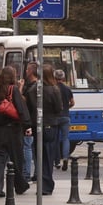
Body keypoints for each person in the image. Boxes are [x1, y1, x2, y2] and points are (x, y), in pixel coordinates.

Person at [0, 66, 31, 197]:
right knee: (17, 158)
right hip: (13, 130)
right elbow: (21, 109)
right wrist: (27, 126)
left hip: (0, 131)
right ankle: (19, 185)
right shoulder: (14, 90)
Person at [27, 64, 62, 195]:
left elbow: (30, 106)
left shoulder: (33, 89)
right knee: (49, 155)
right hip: (51, 124)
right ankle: (47, 184)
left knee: (39, 156)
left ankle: (42, 183)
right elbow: (59, 108)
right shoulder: (54, 89)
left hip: (38, 124)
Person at [54, 69, 74, 171]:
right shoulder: (67, 89)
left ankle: (57, 161)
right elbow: (72, 102)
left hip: (55, 116)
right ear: (63, 78)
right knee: (66, 138)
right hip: (66, 116)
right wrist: (67, 107)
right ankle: (66, 158)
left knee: (56, 139)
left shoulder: (53, 88)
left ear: (55, 78)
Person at [22, 61, 39, 181]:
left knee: (28, 147)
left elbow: (29, 107)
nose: (26, 72)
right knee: (35, 148)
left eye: (27, 70)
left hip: (30, 122)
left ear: (32, 71)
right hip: (35, 122)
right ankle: (37, 173)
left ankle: (26, 173)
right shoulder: (37, 86)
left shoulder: (31, 88)